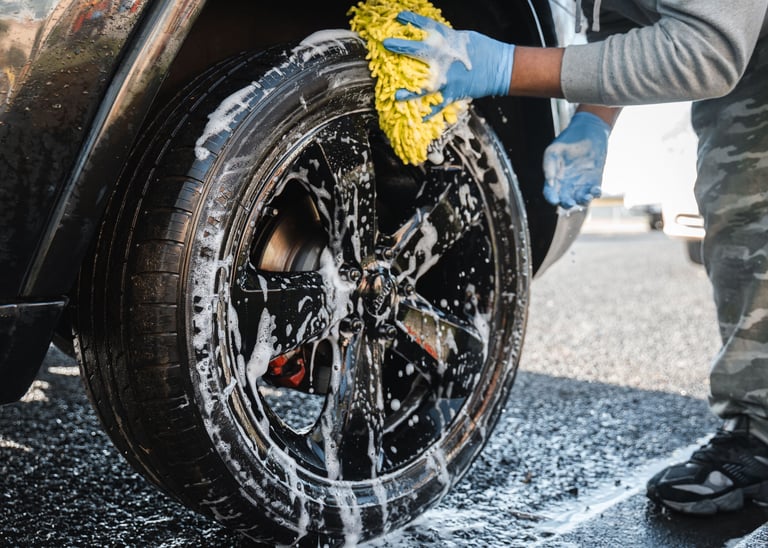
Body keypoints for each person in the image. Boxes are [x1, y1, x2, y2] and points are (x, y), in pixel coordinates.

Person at [382, 1, 768, 516]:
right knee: (741, 209)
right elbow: (628, 22)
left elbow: (708, 48)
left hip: (728, 38)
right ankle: (760, 431)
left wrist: (506, 68)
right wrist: (595, 121)